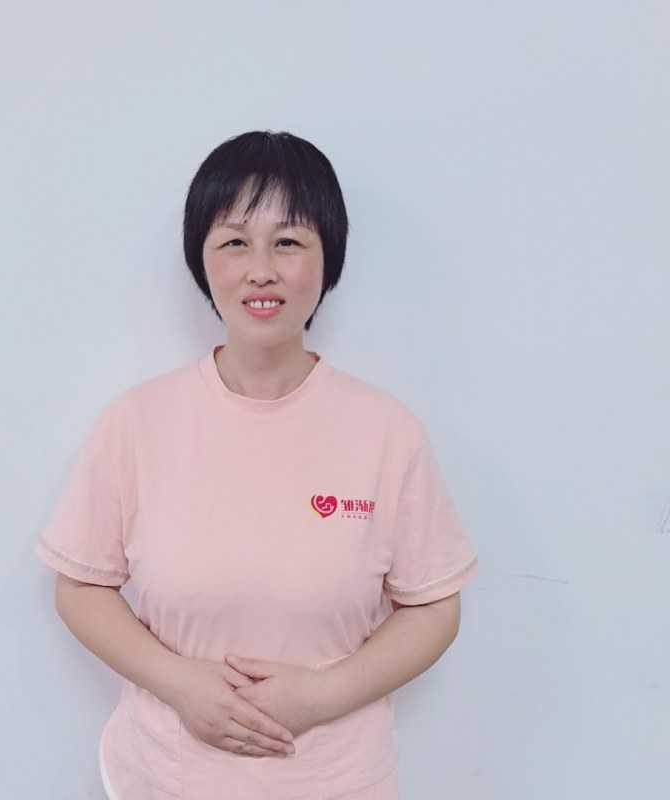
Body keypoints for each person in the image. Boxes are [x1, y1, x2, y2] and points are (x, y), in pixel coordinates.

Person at [35, 129, 480, 799]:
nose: (261, 270)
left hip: (337, 781)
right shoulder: (135, 422)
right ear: (202, 259)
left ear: (329, 259)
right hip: (165, 777)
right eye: (235, 242)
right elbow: (79, 588)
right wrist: (179, 683)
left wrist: (324, 694)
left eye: (289, 242)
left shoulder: (387, 432)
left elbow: (433, 608)